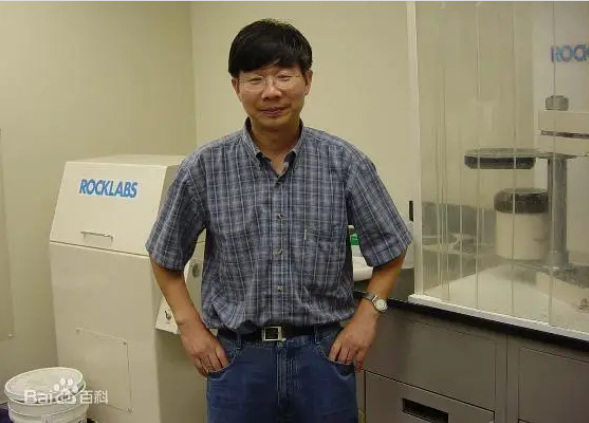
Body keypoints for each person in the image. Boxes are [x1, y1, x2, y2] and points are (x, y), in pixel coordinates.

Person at [146, 18, 411, 423]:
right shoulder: (204, 168)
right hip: (237, 359)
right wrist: (189, 327)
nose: (271, 91)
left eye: (284, 76)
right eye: (255, 79)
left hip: (323, 356)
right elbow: (164, 256)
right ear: (236, 86)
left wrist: (367, 316)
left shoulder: (345, 163)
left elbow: (391, 248)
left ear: (307, 80)